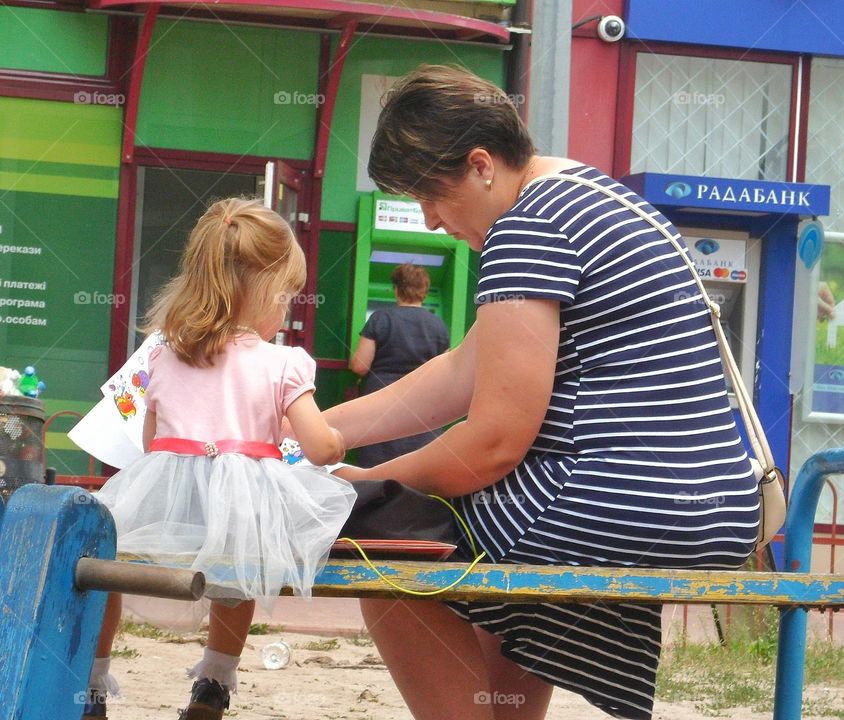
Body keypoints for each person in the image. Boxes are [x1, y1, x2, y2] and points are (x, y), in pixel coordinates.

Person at [323, 65, 761, 720]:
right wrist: (331, 432)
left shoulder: (527, 227)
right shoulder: (588, 194)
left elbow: (496, 443)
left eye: (430, 196)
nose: (431, 221)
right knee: (494, 571)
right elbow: (463, 371)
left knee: (385, 554)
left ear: (480, 166)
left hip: (617, 498)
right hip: (713, 502)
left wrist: (365, 482)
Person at [84, 198, 356, 720]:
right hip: (241, 505)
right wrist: (335, 440)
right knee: (243, 571)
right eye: (286, 297)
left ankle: (93, 684)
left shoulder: (163, 354)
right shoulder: (284, 362)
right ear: (262, 291)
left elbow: (150, 440)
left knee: (110, 569)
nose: (287, 311)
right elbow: (320, 447)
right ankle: (214, 681)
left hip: (165, 500)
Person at [348, 263, 450, 466]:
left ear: (396, 289)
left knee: (375, 472)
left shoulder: (381, 318)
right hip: (422, 404)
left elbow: (360, 365)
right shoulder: (438, 325)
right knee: (416, 467)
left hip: (380, 401)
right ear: (425, 291)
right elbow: (445, 372)